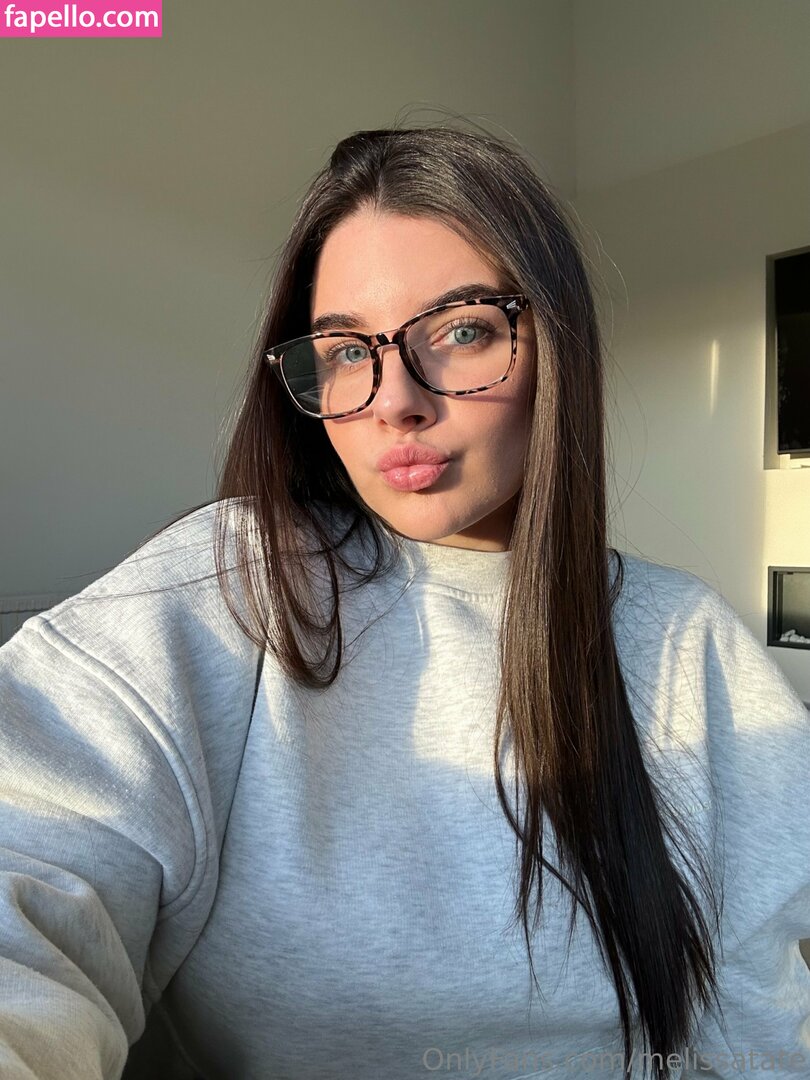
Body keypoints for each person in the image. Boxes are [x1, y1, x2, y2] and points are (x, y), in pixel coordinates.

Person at [1, 124, 809, 1080]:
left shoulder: (687, 643)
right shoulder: (226, 589)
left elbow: (764, 1034)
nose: (394, 402)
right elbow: (32, 872)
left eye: (462, 330)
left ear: (555, 346)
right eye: (347, 351)